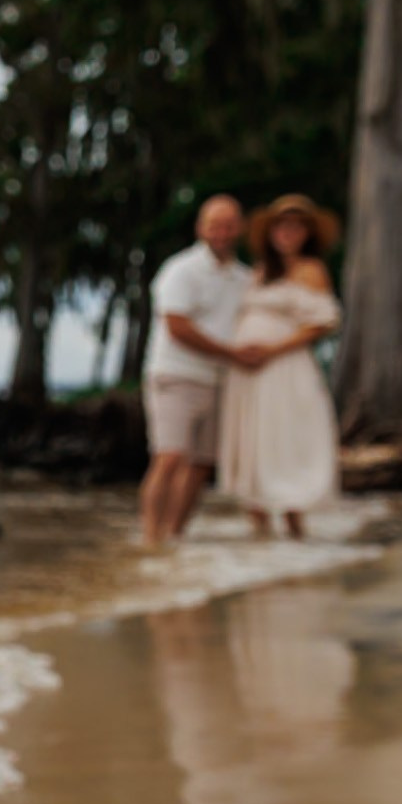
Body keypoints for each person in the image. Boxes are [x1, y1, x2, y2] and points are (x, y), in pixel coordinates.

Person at [219, 193, 344, 540]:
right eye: (282, 226)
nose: (288, 233)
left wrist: (273, 349)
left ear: (307, 233)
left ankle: (293, 525)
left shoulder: (311, 270)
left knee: (287, 437)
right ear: (271, 232)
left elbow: (321, 323)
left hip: (285, 368)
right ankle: (259, 528)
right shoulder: (259, 273)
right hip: (248, 373)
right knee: (254, 440)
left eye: (296, 227)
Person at [139, 195, 252, 546]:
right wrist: (232, 353)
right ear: (201, 228)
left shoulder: (245, 278)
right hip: (176, 376)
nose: (222, 232)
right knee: (169, 457)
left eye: (229, 224)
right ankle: (150, 541)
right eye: (214, 225)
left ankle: (175, 536)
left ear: (240, 228)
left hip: (221, 381)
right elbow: (177, 326)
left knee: (202, 464)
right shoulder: (181, 270)